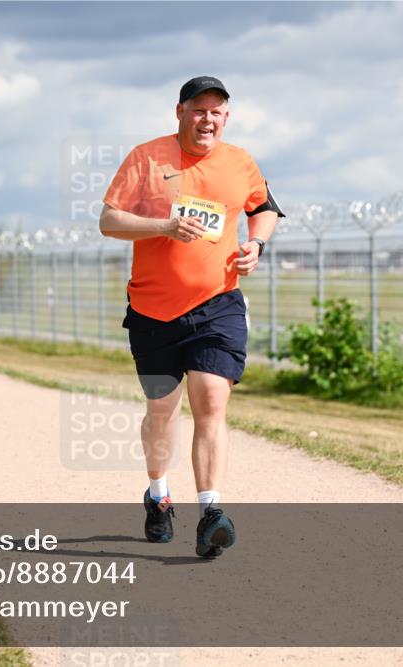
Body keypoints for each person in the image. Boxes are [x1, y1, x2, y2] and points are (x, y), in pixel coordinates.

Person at [99, 76, 283, 559]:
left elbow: (263, 208)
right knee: (162, 412)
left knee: (211, 400)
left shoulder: (239, 161)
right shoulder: (147, 157)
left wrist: (256, 243)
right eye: (199, 110)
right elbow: (108, 220)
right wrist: (164, 225)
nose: (208, 119)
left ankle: (211, 512)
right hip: (153, 310)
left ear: (227, 118)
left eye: (217, 112)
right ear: (179, 111)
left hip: (217, 304)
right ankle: (159, 496)